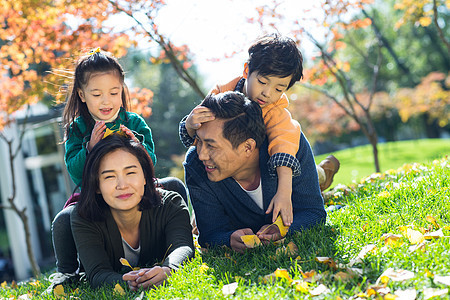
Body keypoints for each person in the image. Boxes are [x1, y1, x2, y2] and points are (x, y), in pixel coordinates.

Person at [49, 48, 187, 290]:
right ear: (82, 95)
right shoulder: (78, 128)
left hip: (136, 186)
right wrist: (90, 148)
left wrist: (137, 147)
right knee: (64, 219)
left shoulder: (134, 121)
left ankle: (185, 234)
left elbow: (149, 165)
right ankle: (67, 272)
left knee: (174, 185)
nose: (106, 101)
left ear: (122, 90)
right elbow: (75, 172)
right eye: (97, 94)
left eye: (114, 92)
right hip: (100, 193)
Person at [180, 33, 339, 227]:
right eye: (263, 82)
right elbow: (204, 138)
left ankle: (322, 174)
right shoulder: (222, 94)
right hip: (240, 177)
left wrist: (284, 192)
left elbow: (284, 147)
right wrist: (190, 125)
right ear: (247, 70)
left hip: (282, 172)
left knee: (308, 177)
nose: (267, 93)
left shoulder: (276, 112)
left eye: (279, 89)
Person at [183, 91, 327, 252]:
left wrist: (283, 229)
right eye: (199, 141)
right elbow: (210, 234)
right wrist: (228, 239)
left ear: (248, 147)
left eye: (211, 146)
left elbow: (313, 212)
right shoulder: (196, 164)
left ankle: (323, 172)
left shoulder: (290, 145)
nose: (201, 154)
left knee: (319, 179)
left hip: (298, 178)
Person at [68, 134, 194, 289]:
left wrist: (169, 269)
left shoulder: (170, 203)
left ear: (145, 177)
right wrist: (127, 282)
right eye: (109, 176)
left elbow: (183, 247)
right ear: (96, 186)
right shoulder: (84, 217)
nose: (122, 185)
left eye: (130, 173)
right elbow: (97, 273)